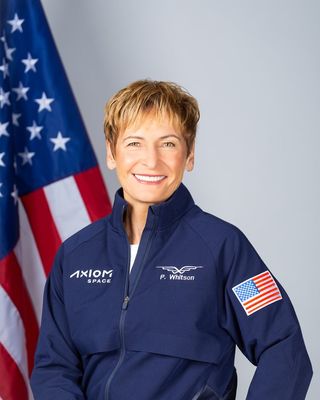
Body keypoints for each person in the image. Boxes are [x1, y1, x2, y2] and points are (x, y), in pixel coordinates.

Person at [31, 80, 313, 400]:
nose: (151, 161)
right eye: (134, 143)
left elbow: (284, 347)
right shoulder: (76, 256)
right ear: (111, 153)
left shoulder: (223, 249)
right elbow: (54, 367)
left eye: (168, 144)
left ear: (189, 155)